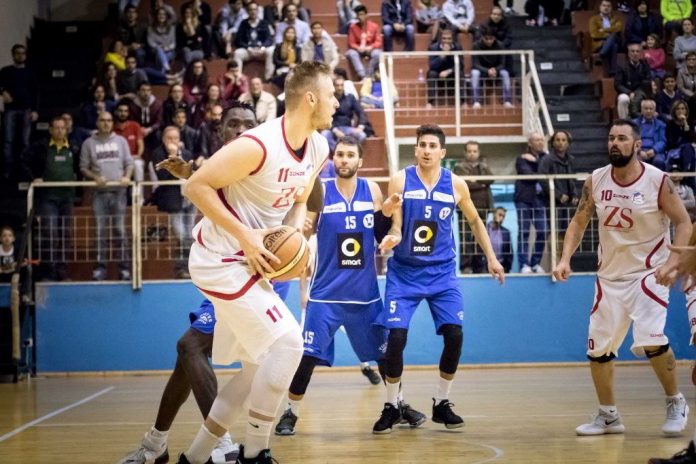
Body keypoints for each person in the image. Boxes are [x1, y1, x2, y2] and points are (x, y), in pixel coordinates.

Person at [175, 60, 336, 464]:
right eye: (331, 95)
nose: (336, 102)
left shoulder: (318, 146)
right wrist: (246, 235)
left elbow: (300, 199)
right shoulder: (257, 145)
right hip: (219, 258)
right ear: (311, 98)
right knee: (289, 344)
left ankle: (192, 459)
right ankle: (256, 452)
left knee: (252, 370)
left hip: (252, 262)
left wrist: (296, 238)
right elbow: (195, 186)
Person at [274, 136, 426, 436]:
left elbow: (380, 230)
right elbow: (303, 230)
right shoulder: (320, 190)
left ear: (360, 161)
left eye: (350, 155)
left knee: (384, 357)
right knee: (307, 356)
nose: (344, 159)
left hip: (365, 295)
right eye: (339, 155)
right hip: (326, 295)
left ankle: (399, 404)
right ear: (334, 160)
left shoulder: (371, 189)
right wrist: (299, 227)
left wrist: (386, 213)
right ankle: (290, 412)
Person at [552, 118, 692, 438]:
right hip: (609, 277)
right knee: (598, 350)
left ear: (637, 144)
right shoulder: (596, 180)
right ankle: (608, 416)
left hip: (648, 274)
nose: (615, 143)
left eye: (623, 138)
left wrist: (673, 262)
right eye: (611, 138)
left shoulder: (658, 180)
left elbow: (683, 223)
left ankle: (675, 401)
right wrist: (564, 259)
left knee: (651, 340)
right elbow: (578, 221)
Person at [374, 124, 505, 434]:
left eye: (433, 145)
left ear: (442, 153)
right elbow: (396, 225)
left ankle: (441, 403)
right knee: (395, 340)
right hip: (405, 272)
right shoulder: (401, 179)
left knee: (455, 335)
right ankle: (392, 406)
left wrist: (491, 257)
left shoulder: (456, 185)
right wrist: (393, 236)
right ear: (416, 149)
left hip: (442, 273)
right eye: (422, 145)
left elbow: (474, 219)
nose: (427, 150)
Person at [22, 116, 80, 281]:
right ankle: (49, 271)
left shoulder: (74, 148)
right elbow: (24, 161)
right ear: (50, 130)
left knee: (65, 235)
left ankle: (62, 271)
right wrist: (34, 177)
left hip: (67, 198)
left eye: (63, 128)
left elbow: (79, 168)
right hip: (48, 198)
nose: (60, 130)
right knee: (50, 234)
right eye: (57, 128)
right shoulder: (40, 147)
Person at [79, 111, 134, 281]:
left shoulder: (121, 141)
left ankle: (124, 269)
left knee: (119, 230)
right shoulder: (89, 143)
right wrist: (95, 177)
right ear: (97, 122)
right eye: (102, 120)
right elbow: (83, 167)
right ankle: (99, 269)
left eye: (109, 120)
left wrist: (127, 176)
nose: (106, 123)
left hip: (119, 192)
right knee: (100, 232)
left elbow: (129, 163)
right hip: (99, 194)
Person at [453, 140, 494, 274]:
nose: (472, 154)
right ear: (465, 152)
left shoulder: (484, 166)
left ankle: (480, 266)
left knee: (481, 238)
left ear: (478, 152)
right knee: (465, 238)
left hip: (482, 206)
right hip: (464, 208)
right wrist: (481, 184)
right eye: (469, 151)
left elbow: (491, 179)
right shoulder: (459, 167)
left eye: (474, 151)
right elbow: (463, 185)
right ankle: (466, 266)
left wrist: (474, 181)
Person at [0, 44, 38, 179]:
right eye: (17, 53)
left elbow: (35, 93)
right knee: (8, 140)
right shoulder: (5, 71)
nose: (20, 55)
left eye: (23, 53)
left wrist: (35, 110)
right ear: (13, 54)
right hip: (10, 109)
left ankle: (24, 168)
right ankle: (7, 169)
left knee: (25, 141)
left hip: (27, 109)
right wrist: (3, 92)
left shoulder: (30, 73)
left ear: (26, 55)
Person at [514, 132, 548, 274]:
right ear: (530, 143)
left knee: (543, 231)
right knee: (524, 232)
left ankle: (535, 263)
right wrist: (538, 164)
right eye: (536, 140)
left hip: (540, 199)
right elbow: (529, 176)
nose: (540, 142)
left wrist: (536, 161)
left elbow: (546, 173)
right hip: (524, 199)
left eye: (541, 139)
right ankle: (524, 265)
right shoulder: (521, 159)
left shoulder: (547, 158)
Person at [538, 130, 577, 233]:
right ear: (553, 143)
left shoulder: (570, 159)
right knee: (554, 232)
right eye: (558, 140)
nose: (561, 143)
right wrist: (558, 195)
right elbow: (542, 180)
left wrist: (574, 195)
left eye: (564, 140)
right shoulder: (546, 159)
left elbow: (572, 179)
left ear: (568, 143)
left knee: (567, 232)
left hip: (567, 202)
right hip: (552, 202)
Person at [320, 75, 368, 153]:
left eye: (341, 85)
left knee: (362, 135)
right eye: (337, 85)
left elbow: (361, 112)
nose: (340, 88)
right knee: (324, 135)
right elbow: (325, 117)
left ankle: (349, 150)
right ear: (333, 86)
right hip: (333, 128)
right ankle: (338, 151)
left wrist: (360, 126)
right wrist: (335, 130)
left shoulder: (350, 98)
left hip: (348, 128)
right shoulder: (328, 99)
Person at [470, 26, 513, 109]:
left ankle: (507, 101)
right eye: (486, 38)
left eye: (491, 38)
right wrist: (487, 70)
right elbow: (475, 64)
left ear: (495, 38)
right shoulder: (476, 45)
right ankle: (476, 101)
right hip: (482, 69)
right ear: (482, 37)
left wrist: (495, 69)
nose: (489, 41)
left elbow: (502, 63)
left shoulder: (500, 45)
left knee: (505, 73)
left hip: (496, 69)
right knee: (474, 73)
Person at [233, 1, 275, 82]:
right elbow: (238, 40)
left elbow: (269, 39)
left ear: (258, 11)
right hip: (248, 51)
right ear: (248, 11)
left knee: (271, 51)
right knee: (237, 53)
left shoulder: (264, 23)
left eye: (255, 9)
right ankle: (238, 78)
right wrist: (247, 48)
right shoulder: (243, 23)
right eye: (251, 9)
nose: (253, 11)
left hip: (261, 51)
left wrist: (263, 47)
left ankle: (268, 78)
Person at [615, 43, 652, 120]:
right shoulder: (622, 66)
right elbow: (617, 85)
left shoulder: (645, 65)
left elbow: (648, 80)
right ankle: (624, 123)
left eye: (637, 51)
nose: (635, 53)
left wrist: (638, 93)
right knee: (623, 99)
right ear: (628, 53)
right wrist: (629, 92)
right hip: (626, 93)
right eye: (632, 51)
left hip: (641, 92)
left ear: (641, 53)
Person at [346, 5, 383, 80]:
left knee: (378, 54)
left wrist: (371, 47)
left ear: (366, 15)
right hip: (359, 49)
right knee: (351, 53)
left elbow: (378, 42)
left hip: (370, 49)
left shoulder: (374, 26)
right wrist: (358, 48)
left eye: (362, 14)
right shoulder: (353, 27)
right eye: (358, 15)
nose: (360, 17)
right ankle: (362, 75)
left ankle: (368, 75)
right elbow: (351, 42)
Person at [426, 29, 461, 109]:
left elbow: (460, 65)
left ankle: (462, 101)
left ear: (452, 39)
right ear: (440, 39)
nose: (446, 41)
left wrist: (448, 71)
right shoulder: (433, 47)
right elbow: (431, 65)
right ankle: (431, 102)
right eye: (444, 38)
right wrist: (442, 56)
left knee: (460, 72)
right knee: (431, 73)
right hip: (438, 74)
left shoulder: (457, 47)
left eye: (449, 38)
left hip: (451, 74)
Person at [589, 0, 623, 76]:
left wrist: (604, 30)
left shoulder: (616, 18)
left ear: (611, 8)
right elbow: (594, 34)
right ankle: (613, 71)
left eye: (608, 6)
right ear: (600, 7)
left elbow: (618, 28)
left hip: (614, 40)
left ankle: (602, 54)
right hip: (600, 44)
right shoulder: (593, 19)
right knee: (614, 45)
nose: (606, 8)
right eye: (604, 5)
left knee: (614, 36)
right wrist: (609, 34)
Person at [634, 98, 667, 170]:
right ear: (641, 110)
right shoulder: (634, 124)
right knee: (636, 162)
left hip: (655, 151)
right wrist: (639, 151)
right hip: (639, 151)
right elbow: (632, 140)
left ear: (654, 110)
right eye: (646, 108)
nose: (648, 111)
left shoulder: (661, 124)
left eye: (651, 109)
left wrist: (654, 150)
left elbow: (662, 141)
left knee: (659, 161)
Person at [484, 206, 513, 273]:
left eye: (503, 216)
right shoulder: (485, 230)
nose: (502, 218)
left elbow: (510, 252)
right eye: (500, 215)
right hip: (486, 267)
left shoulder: (506, 232)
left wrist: (507, 268)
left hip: (502, 267)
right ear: (494, 214)